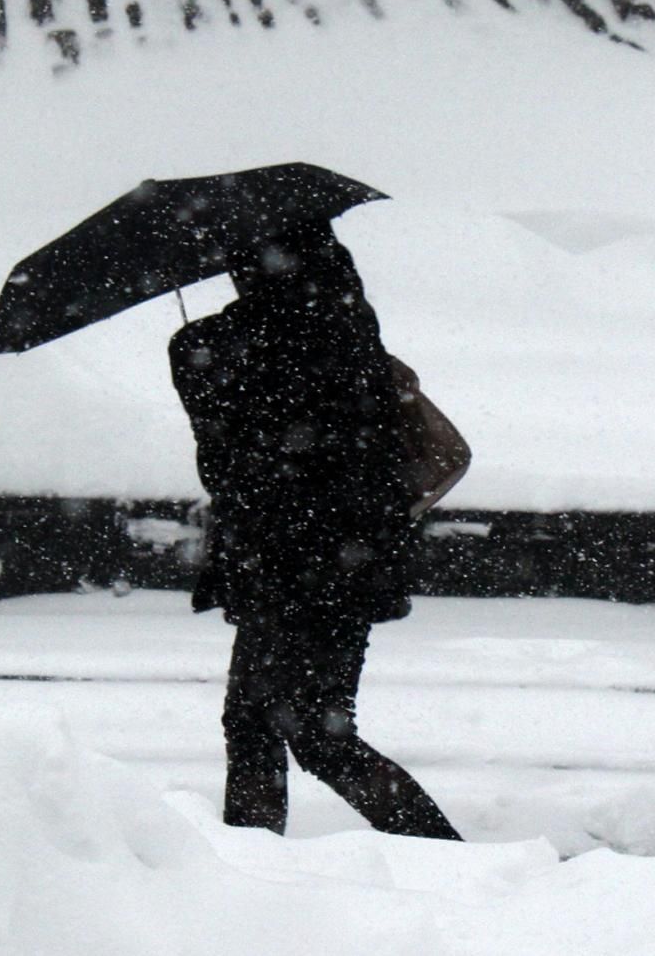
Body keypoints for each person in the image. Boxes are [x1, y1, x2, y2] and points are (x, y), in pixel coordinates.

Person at [168, 223, 462, 840]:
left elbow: (227, 465)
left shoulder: (232, 346)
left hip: (290, 562)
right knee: (294, 726)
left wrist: (195, 346)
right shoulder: (353, 335)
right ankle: (257, 856)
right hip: (340, 563)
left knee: (287, 728)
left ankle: (439, 855)